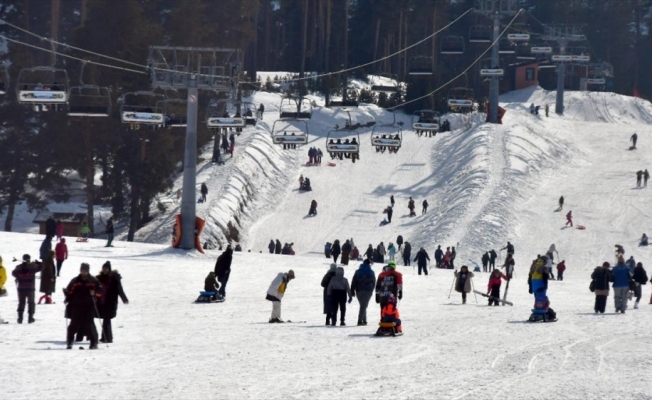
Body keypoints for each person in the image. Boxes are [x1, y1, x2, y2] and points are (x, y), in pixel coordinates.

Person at [64, 263, 101, 349]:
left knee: (90, 324)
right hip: (77, 305)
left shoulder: (93, 280)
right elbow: (69, 291)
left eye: (85, 271)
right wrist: (66, 296)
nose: (83, 273)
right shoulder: (75, 281)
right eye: (82, 271)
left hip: (89, 305)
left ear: (88, 271)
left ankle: (94, 343)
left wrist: (95, 293)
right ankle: (70, 342)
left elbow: (100, 292)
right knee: (73, 324)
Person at [96, 261, 129, 343]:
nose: (105, 270)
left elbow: (119, 289)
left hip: (111, 302)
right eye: (103, 268)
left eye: (106, 268)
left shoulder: (114, 278)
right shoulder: (100, 277)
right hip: (102, 302)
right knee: (105, 319)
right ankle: (105, 337)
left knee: (107, 319)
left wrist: (123, 297)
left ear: (109, 269)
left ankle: (108, 338)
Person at [12, 254, 43, 323]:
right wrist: (39, 263)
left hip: (21, 288)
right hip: (30, 288)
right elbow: (42, 267)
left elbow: (13, 273)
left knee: (21, 302)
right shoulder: (33, 266)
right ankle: (30, 318)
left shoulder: (19, 267)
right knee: (31, 302)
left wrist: (19, 276)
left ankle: (20, 319)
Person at [351, 259, 376, 326]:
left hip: (358, 290)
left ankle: (364, 320)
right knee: (363, 305)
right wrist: (372, 290)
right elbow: (374, 282)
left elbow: (354, 281)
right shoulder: (371, 272)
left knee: (363, 305)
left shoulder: (357, 271)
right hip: (368, 291)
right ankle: (360, 321)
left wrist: (352, 290)